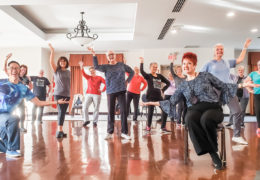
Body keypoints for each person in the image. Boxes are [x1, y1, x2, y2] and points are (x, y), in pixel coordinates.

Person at [141, 52, 258, 170]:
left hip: (212, 107)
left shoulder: (206, 76)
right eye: (184, 64)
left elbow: (223, 86)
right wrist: (150, 103)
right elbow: (171, 102)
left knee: (205, 119)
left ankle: (214, 152)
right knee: (189, 119)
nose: (186, 66)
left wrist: (242, 85)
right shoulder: (183, 85)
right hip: (194, 109)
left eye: (189, 63)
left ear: (194, 65)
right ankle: (213, 154)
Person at [0, 60, 68, 157]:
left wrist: (56, 102)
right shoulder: (1, 82)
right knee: (13, 120)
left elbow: (39, 102)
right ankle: (12, 150)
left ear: (19, 71)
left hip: (4, 118)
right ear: (7, 70)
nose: (14, 70)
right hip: (3, 117)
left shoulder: (23, 88)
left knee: (9, 137)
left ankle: (10, 149)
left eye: (16, 68)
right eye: (11, 68)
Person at [200, 38, 251, 145]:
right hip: (215, 90)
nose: (220, 51)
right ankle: (213, 135)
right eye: (218, 49)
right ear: (214, 51)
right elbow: (200, 77)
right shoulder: (209, 63)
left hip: (228, 89)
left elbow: (240, 59)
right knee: (215, 113)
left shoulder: (227, 62)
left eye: (221, 49)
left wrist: (245, 46)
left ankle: (236, 135)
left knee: (237, 111)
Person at [88, 47, 134, 140]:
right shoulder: (106, 67)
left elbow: (132, 72)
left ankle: (124, 132)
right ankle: (109, 132)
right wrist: (94, 55)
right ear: (107, 57)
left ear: (115, 55)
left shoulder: (122, 65)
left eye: (112, 54)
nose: (111, 56)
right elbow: (96, 67)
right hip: (110, 91)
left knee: (124, 111)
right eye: (109, 55)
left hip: (121, 90)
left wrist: (127, 81)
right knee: (111, 112)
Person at [140, 57, 170, 132]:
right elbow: (141, 71)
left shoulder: (159, 76)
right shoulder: (148, 76)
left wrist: (163, 90)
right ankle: (148, 127)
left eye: (156, 67)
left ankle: (163, 127)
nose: (155, 68)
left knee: (165, 110)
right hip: (150, 97)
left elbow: (168, 83)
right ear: (150, 67)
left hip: (159, 97)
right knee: (151, 112)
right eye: (154, 67)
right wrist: (141, 62)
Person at [3, 53, 32, 133]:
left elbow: (30, 87)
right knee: (11, 113)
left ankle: (22, 127)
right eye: (22, 69)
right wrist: (6, 59)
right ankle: (10, 127)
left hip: (21, 99)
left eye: (24, 70)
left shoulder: (26, 78)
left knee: (22, 113)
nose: (23, 70)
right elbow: (5, 69)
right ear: (19, 70)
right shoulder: (13, 75)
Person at [48, 43, 71, 138]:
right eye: (61, 61)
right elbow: (50, 62)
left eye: (64, 61)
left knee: (63, 112)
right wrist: (52, 51)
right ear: (59, 63)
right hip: (58, 94)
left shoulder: (69, 72)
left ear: (66, 63)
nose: (62, 63)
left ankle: (60, 130)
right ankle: (59, 131)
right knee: (61, 112)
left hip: (67, 94)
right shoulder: (56, 71)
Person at [79, 61, 106, 127]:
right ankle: (86, 120)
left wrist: (102, 90)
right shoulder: (88, 77)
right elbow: (83, 73)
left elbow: (106, 83)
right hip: (88, 94)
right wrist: (81, 66)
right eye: (90, 71)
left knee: (96, 108)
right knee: (85, 107)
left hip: (97, 94)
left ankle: (95, 121)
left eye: (93, 70)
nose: (92, 72)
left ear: (95, 71)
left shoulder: (99, 77)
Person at [169, 53, 187, 126]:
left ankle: (184, 121)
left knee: (186, 107)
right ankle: (179, 121)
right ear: (176, 71)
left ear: (182, 70)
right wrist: (172, 60)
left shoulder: (185, 76)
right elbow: (171, 69)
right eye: (178, 70)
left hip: (186, 93)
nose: (179, 70)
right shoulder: (175, 77)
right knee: (180, 107)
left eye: (180, 69)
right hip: (179, 93)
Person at [245, 60, 260, 137]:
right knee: (258, 111)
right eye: (259, 65)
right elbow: (245, 82)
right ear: (257, 66)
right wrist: (250, 89)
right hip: (257, 95)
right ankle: (259, 128)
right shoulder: (253, 73)